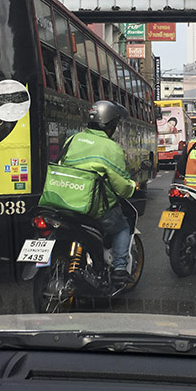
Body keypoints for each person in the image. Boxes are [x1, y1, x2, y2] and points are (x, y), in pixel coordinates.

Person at [58, 100, 137, 283]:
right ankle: (119, 268)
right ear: (110, 125)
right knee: (122, 227)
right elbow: (121, 186)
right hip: (92, 209)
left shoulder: (72, 139)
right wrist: (131, 187)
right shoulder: (111, 148)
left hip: (61, 202)